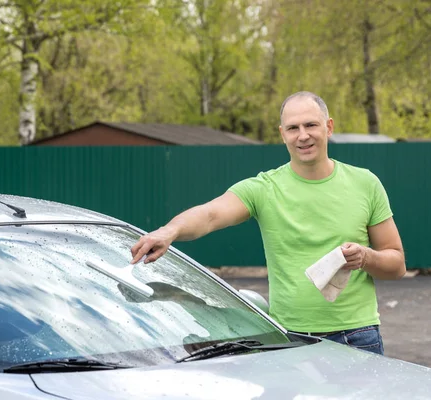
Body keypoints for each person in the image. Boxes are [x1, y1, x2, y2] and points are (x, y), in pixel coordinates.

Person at [130, 91, 406, 355]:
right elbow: (211, 213)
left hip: (356, 336)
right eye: (293, 128)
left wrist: (365, 256)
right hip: (289, 337)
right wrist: (170, 231)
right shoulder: (264, 188)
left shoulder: (365, 183)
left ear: (329, 127)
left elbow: (396, 264)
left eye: (311, 125)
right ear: (282, 134)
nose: (303, 136)